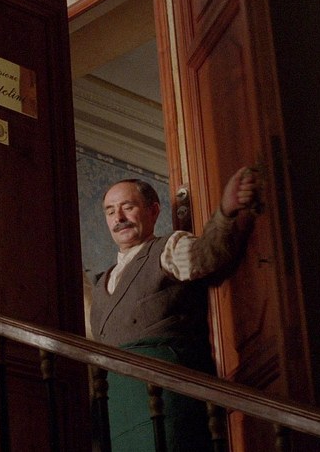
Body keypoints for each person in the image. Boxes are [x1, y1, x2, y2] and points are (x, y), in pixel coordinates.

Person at [86, 166, 260, 451]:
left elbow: (206, 255)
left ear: (153, 211)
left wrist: (226, 212)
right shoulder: (100, 283)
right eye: (110, 211)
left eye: (128, 207)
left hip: (169, 400)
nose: (118, 218)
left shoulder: (168, 248)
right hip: (118, 410)